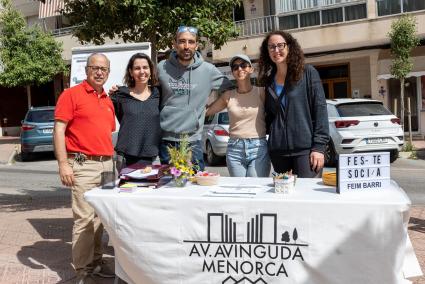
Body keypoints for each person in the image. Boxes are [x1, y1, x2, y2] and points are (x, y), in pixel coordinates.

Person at [54, 53, 115, 284]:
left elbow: (105, 132)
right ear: (86, 69)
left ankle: (97, 262)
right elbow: (59, 130)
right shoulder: (71, 95)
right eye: (95, 68)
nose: (99, 72)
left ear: (108, 73)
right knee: (84, 220)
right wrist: (63, 164)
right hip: (83, 164)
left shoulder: (107, 99)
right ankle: (83, 272)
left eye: (104, 69)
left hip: (107, 164)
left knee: (101, 218)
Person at [157, 25, 233, 170]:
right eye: (182, 41)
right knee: (168, 188)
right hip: (166, 141)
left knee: (195, 187)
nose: (186, 46)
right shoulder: (162, 67)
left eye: (191, 42)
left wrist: (208, 111)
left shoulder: (208, 70)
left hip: (193, 141)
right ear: (174, 44)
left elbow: (230, 92)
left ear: (197, 45)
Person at [258, 31, 329, 178]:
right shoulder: (268, 81)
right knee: (284, 196)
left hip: (306, 149)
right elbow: (270, 116)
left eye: (280, 45)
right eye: (271, 47)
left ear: (290, 47)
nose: (276, 50)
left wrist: (319, 147)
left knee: (305, 195)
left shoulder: (307, 73)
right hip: (278, 152)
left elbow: (320, 109)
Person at [206, 54, 270, 177]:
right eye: (235, 67)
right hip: (234, 149)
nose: (239, 69)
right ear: (233, 72)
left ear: (251, 69)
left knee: (256, 189)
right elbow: (207, 112)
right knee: (238, 191)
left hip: (258, 148)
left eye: (243, 65)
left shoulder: (261, 92)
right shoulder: (228, 95)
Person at [111, 53, 161, 170]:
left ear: (151, 70)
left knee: (151, 188)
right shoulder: (119, 95)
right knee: (126, 189)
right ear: (131, 72)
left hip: (153, 157)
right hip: (125, 158)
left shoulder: (158, 93)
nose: (142, 71)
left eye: (145, 67)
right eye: (137, 68)